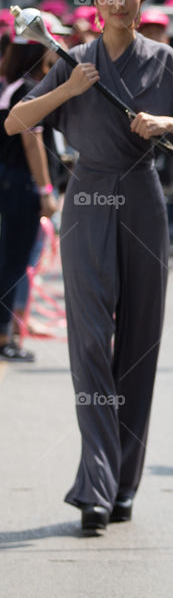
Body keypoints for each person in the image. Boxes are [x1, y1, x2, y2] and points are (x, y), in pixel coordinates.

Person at [6, 0, 173, 535]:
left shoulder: (166, 59)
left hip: (145, 202)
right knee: (92, 341)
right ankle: (95, 483)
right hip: (88, 200)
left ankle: (124, 483)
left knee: (139, 343)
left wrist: (167, 124)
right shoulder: (73, 59)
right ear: (94, 1)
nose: (119, 0)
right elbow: (15, 121)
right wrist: (67, 88)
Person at [0, 37, 59, 361]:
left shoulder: (13, 86)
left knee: (10, 261)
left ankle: (7, 332)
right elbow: (31, 142)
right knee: (14, 264)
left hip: (12, 181)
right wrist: (45, 190)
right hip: (23, 184)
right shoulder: (28, 89)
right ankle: (4, 337)